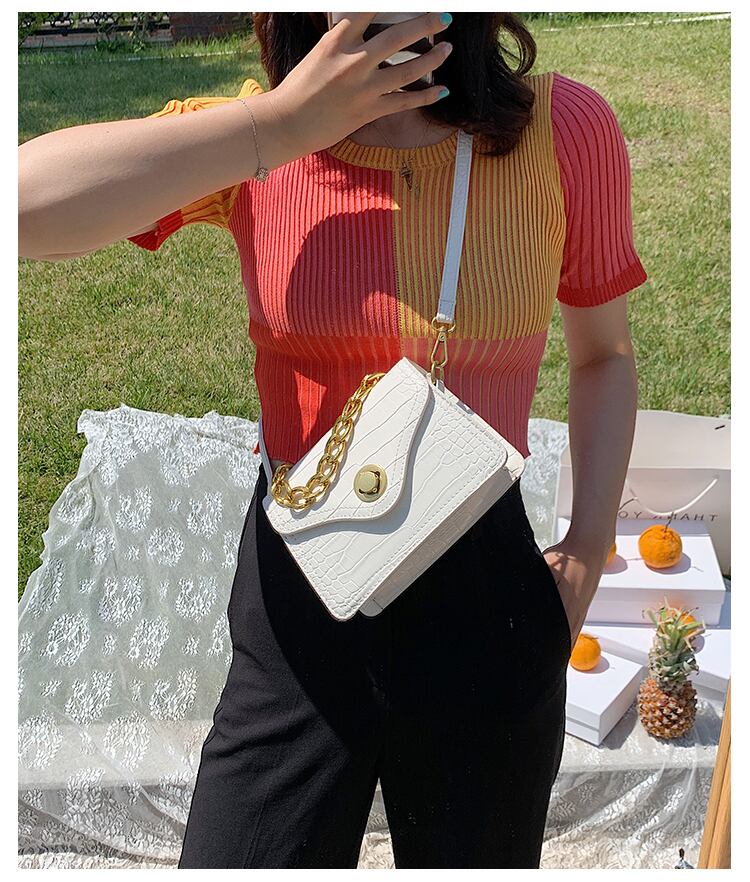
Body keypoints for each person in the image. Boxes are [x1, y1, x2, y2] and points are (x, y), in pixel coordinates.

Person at [18, 11, 648, 869]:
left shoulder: (560, 129)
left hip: (485, 597)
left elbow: (605, 357)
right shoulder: (256, 139)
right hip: (300, 591)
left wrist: (586, 551)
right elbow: (24, 207)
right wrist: (282, 126)